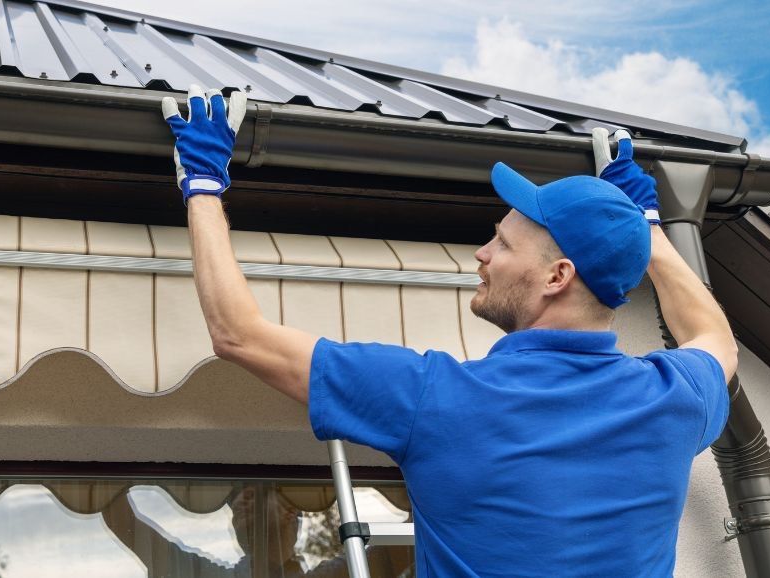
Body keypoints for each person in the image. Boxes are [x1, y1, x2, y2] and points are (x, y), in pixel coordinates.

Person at [162, 85, 735, 577]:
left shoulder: (437, 399)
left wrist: (204, 185)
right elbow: (715, 336)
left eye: (504, 244)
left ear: (558, 276)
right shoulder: (673, 399)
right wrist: (646, 232)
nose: (483, 254)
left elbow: (238, 334)